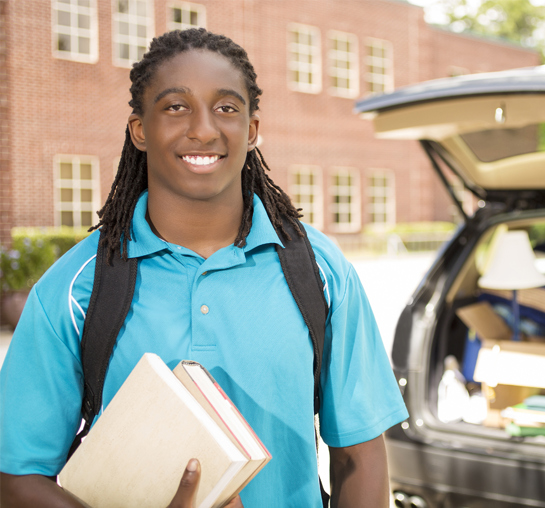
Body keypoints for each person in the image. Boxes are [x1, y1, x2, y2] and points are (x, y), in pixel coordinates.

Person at [0, 28, 408, 507]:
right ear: (140, 130)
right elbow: (16, 479)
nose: (204, 129)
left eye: (227, 108)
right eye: (176, 106)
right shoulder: (75, 288)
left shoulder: (320, 271)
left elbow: (360, 459)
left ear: (252, 131)